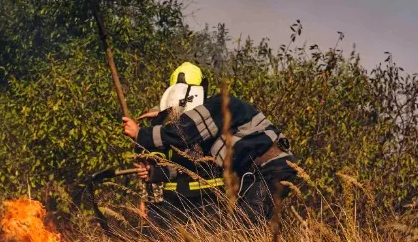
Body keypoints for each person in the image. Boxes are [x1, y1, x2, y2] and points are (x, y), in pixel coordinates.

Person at [121, 62, 297, 226]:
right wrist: (156, 172)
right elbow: (197, 163)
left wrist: (139, 134)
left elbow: (181, 134)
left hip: (271, 169)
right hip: (259, 172)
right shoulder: (211, 125)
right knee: (243, 225)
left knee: (246, 226)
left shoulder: (218, 105)